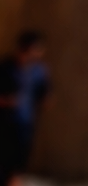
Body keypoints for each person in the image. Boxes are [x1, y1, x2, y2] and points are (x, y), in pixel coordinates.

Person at [0, 31, 48, 186]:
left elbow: (45, 94)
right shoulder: (7, 67)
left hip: (25, 123)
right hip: (5, 122)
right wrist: (7, 101)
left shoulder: (39, 70)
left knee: (18, 163)